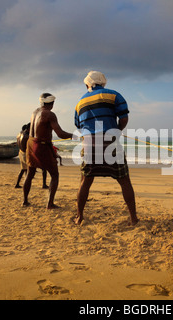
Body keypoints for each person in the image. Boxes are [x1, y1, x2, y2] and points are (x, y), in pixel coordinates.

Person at [74, 71, 138, 226]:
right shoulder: (114, 95)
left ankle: (79, 216)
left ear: (88, 84)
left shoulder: (79, 103)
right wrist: (116, 130)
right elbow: (124, 118)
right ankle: (133, 219)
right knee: (124, 181)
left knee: (85, 181)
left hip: (89, 144)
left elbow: (79, 126)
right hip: (110, 142)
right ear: (103, 83)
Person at [23, 93, 73, 209]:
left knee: (30, 173)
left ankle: (25, 201)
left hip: (30, 144)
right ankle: (50, 203)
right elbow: (60, 134)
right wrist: (75, 136)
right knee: (55, 175)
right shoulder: (50, 115)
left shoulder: (34, 112)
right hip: (41, 146)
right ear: (52, 103)